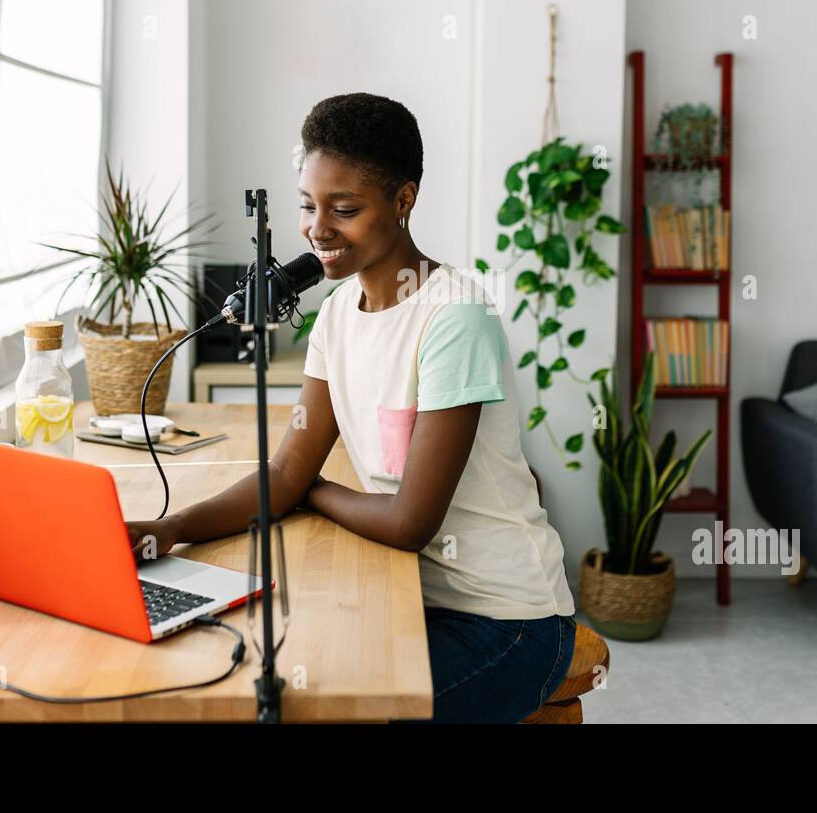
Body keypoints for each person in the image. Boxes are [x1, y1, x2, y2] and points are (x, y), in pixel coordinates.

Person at [126, 92, 576, 723]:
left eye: (345, 209)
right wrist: (169, 530)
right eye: (309, 207)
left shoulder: (454, 318)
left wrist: (312, 493)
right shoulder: (336, 314)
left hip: (507, 621)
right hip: (408, 594)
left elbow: (407, 522)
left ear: (403, 201)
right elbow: (287, 471)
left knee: (329, 715)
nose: (317, 229)